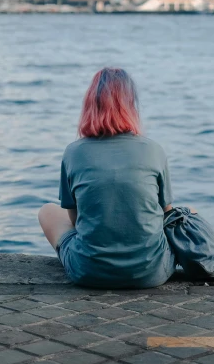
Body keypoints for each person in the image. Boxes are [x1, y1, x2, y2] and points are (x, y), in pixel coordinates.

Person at [38, 67, 177, 288]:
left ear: (90, 104)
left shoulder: (74, 152)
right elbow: (166, 213)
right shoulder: (153, 149)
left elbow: (75, 221)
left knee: (48, 211)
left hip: (88, 272)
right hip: (151, 273)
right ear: (132, 106)